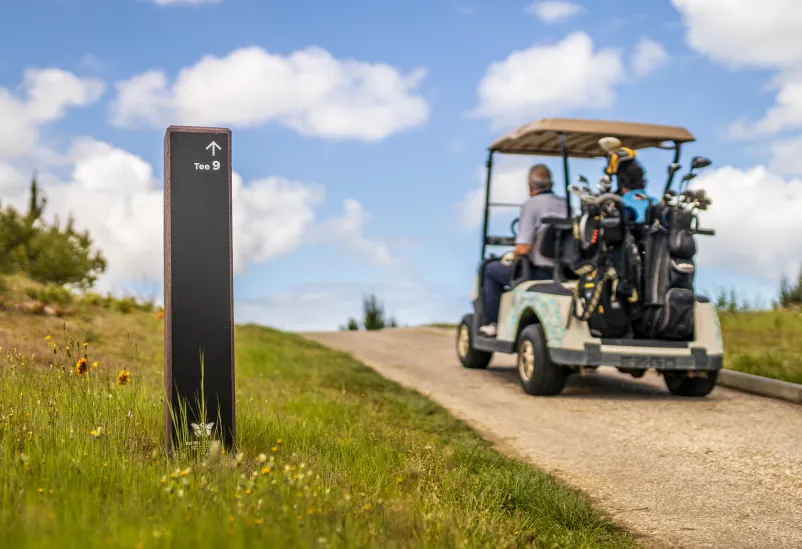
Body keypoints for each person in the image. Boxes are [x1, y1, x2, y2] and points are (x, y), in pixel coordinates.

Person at [479, 164, 568, 337]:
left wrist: (513, 254)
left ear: (530, 186)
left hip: (537, 272)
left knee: (489, 269)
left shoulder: (531, 206)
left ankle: (492, 323)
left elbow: (524, 247)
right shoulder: (566, 205)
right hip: (564, 271)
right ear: (551, 184)